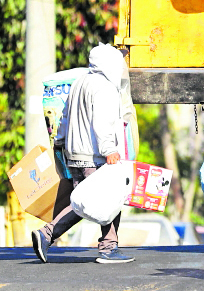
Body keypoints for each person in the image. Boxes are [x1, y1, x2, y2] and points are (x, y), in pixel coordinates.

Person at [30, 44, 134, 264]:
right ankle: (104, 247)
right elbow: (102, 122)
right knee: (101, 200)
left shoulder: (80, 83)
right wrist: (109, 150)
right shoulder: (105, 87)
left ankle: (106, 246)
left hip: (74, 153)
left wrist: (60, 143)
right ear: (110, 64)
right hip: (93, 155)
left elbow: (64, 117)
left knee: (89, 202)